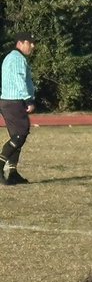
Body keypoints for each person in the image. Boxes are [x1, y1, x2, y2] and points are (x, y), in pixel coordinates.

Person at [0, 31, 37, 184]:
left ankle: (13, 172)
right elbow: (18, 80)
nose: (33, 46)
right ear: (20, 43)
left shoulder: (13, 57)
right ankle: (1, 165)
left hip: (10, 101)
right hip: (13, 101)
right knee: (20, 135)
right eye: (30, 42)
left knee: (18, 135)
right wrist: (28, 99)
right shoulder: (16, 59)